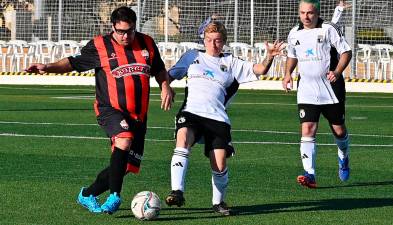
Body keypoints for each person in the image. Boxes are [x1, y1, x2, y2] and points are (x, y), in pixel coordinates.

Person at [25, 6, 174, 214]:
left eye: (130, 31)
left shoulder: (147, 42)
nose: (125, 36)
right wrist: (47, 67)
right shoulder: (99, 45)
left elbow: (158, 68)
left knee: (124, 167)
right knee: (124, 139)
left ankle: (87, 194)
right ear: (113, 27)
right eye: (121, 31)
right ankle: (115, 196)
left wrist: (165, 86)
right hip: (110, 109)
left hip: (139, 116)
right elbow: (73, 63)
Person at [164, 21, 285, 215]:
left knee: (219, 163)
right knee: (183, 138)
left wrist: (269, 57)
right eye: (209, 40)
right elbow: (169, 76)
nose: (213, 44)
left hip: (217, 118)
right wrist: (165, 88)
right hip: (191, 112)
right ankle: (177, 191)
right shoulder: (192, 57)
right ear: (204, 39)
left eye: (217, 40)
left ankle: (218, 202)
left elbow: (260, 69)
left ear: (223, 42)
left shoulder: (232, 62)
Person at [283, 0, 352, 189]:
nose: (306, 17)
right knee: (307, 129)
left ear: (317, 12)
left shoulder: (328, 29)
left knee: (339, 130)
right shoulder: (294, 33)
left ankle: (343, 156)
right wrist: (288, 73)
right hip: (306, 89)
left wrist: (337, 72)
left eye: (310, 13)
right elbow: (292, 55)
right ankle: (310, 174)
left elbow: (346, 51)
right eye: (303, 12)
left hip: (331, 88)